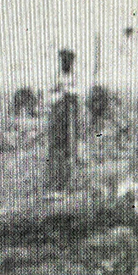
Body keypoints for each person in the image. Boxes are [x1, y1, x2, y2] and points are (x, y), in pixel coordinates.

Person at [47, 49, 81, 191]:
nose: (65, 64)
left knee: (69, 149)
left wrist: (67, 94)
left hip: (69, 117)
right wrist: (60, 94)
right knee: (56, 149)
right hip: (58, 116)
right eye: (63, 61)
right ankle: (55, 183)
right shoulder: (56, 78)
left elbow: (75, 95)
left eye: (68, 61)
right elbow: (51, 95)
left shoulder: (74, 79)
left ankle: (68, 184)